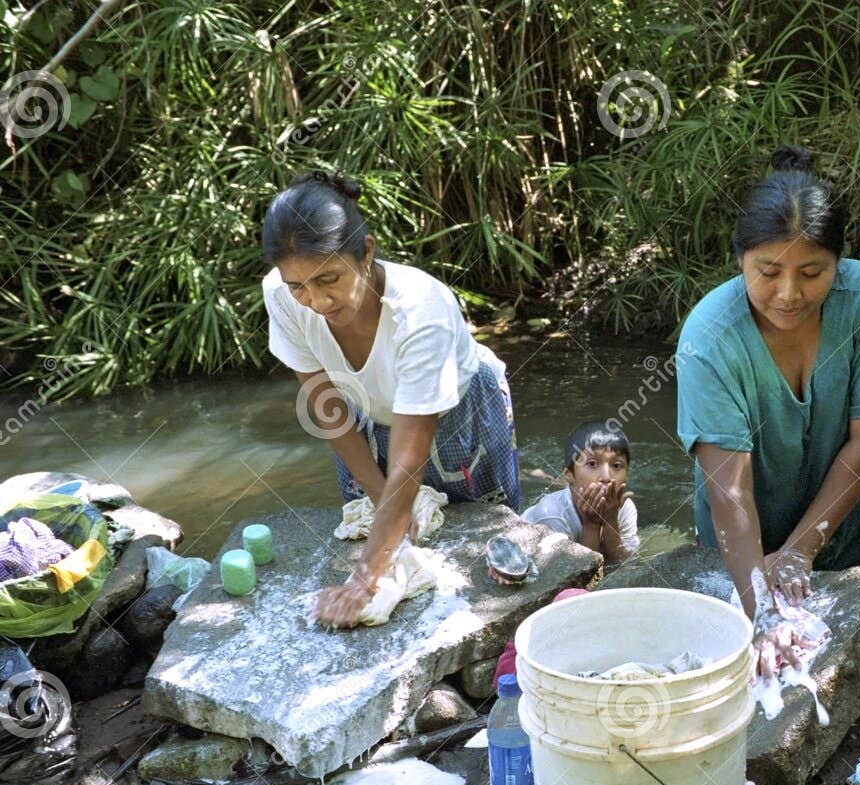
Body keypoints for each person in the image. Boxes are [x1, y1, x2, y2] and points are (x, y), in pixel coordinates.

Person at [675, 144, 860, 646]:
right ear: (740, 258)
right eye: (767, 272)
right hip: (744, 542)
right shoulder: (710, 335)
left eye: (812, 274)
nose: (789, 294)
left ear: (839, 262)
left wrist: (800, 551)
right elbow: (730, 489)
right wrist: (761, 611)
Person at [260, 171, 521, 628]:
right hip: (363, 408)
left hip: (459, 412)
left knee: (488, 561)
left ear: (366, 252)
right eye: (298, 286)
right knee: (389, 528)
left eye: (330, 279)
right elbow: (329, 406)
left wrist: (364, 581)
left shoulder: (421, 311)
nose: (316, 301)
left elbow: (410, 452)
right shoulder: (281, 298)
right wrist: (385, 504)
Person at [519, 421, 640, 566]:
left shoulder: (625, 508)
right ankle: (537, 476)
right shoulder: (551, 516)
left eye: (617, 465)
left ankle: (541, 475)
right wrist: (591, 525)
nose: (607, 477)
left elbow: (624, 563)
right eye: (592, 464)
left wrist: (610, 521)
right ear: (569, 474)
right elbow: (573, 576)